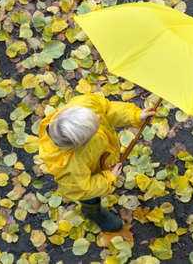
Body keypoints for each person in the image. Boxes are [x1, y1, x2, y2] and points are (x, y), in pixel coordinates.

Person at [38, 93, 156, 232]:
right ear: (83, 143)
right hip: (88, 177)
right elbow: (84, 188)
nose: (99, 117)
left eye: (95, 116)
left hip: (100, 157)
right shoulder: (70, 166)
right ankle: (93, 212)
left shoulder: (85, 104)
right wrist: (108, 178)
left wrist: (135, 116)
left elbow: (107, 110)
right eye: (96, 124)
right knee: (90, 198)